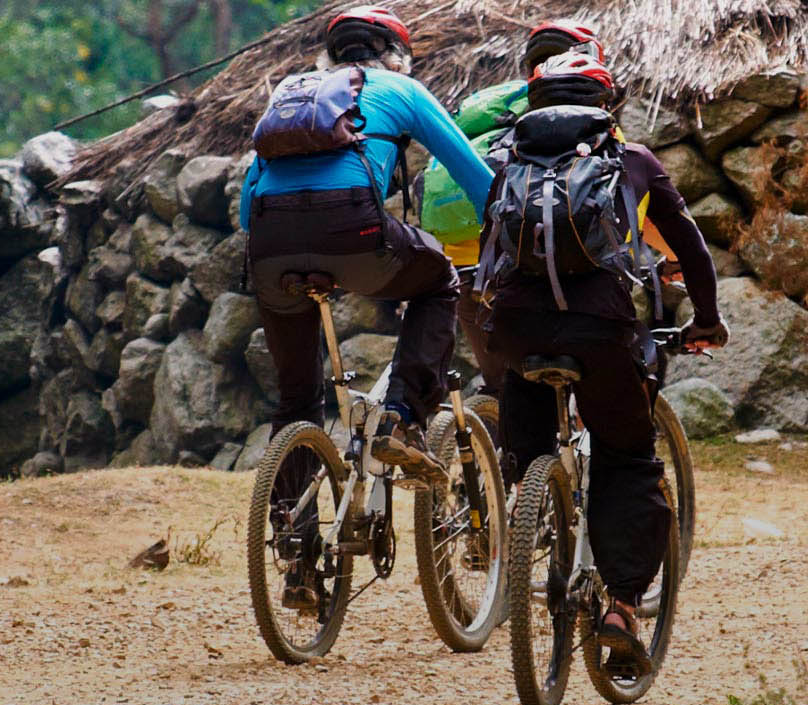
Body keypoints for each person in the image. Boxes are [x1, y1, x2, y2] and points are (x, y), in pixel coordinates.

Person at [476, 54, 728, 671]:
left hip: (518, 323)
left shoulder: (505, 161)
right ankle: (620, 606)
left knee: (525, 411)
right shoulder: (632, 159)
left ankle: (532, 502)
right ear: (606, 105)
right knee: (628, 458)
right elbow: (689, 244)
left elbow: (492, 252)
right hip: (599, 325)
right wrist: (707, 319)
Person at [239, 5, 494, 491]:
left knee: (297, 401)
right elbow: (479, 182)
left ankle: (294, 542)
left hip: (270, 249)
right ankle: (400, 416)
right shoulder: (403, 90)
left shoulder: (293, 96)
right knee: (440, 279)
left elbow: (245, 210)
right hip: (352, 230)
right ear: (397, 56)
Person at [450, 21, 611, 396]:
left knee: (505, 387)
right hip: (536, 272)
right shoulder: (593, 128)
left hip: (468, 263)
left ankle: (495, 447)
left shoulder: (493, 115)